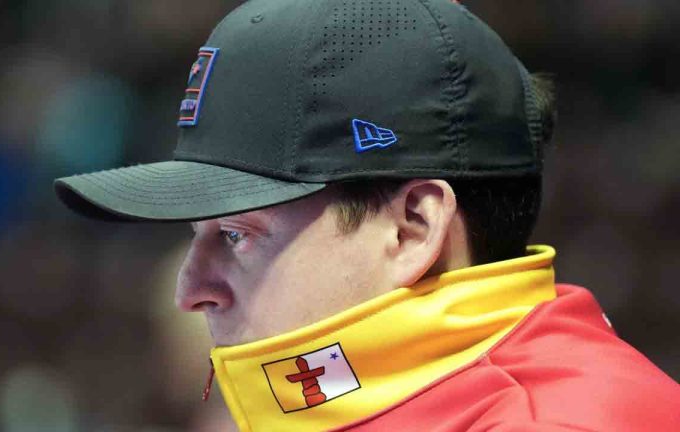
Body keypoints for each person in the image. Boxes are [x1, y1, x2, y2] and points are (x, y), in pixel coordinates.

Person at [54, 0, 680, 430]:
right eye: (199, 237)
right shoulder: (341, 400)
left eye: (240, 236)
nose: (189, 291)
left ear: (413, 228)